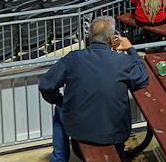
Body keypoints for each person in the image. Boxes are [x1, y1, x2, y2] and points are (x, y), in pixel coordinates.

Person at [39, 16, 148, 162]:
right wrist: (130, 48)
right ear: (112, 38)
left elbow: (46, 85)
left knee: (60, 110)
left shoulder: (73, 58)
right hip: (115, 132)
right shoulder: (123, 62)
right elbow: (143, 77)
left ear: (90, 36)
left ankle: (59, 159)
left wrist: (59, 100)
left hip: (78, 129)